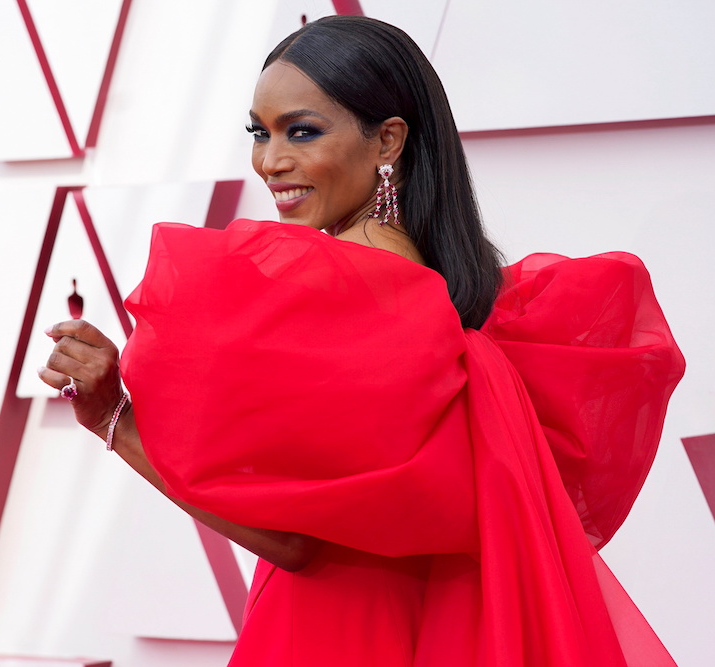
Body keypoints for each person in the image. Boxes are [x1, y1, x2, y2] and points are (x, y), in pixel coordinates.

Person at [37, 15, 685, 666]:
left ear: (387, 141)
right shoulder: (461, 300)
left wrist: (116, 422)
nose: (270, 160)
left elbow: (293, 541)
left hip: (339, 632)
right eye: (259, 134)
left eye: (302, 131)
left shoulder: (341, 295)